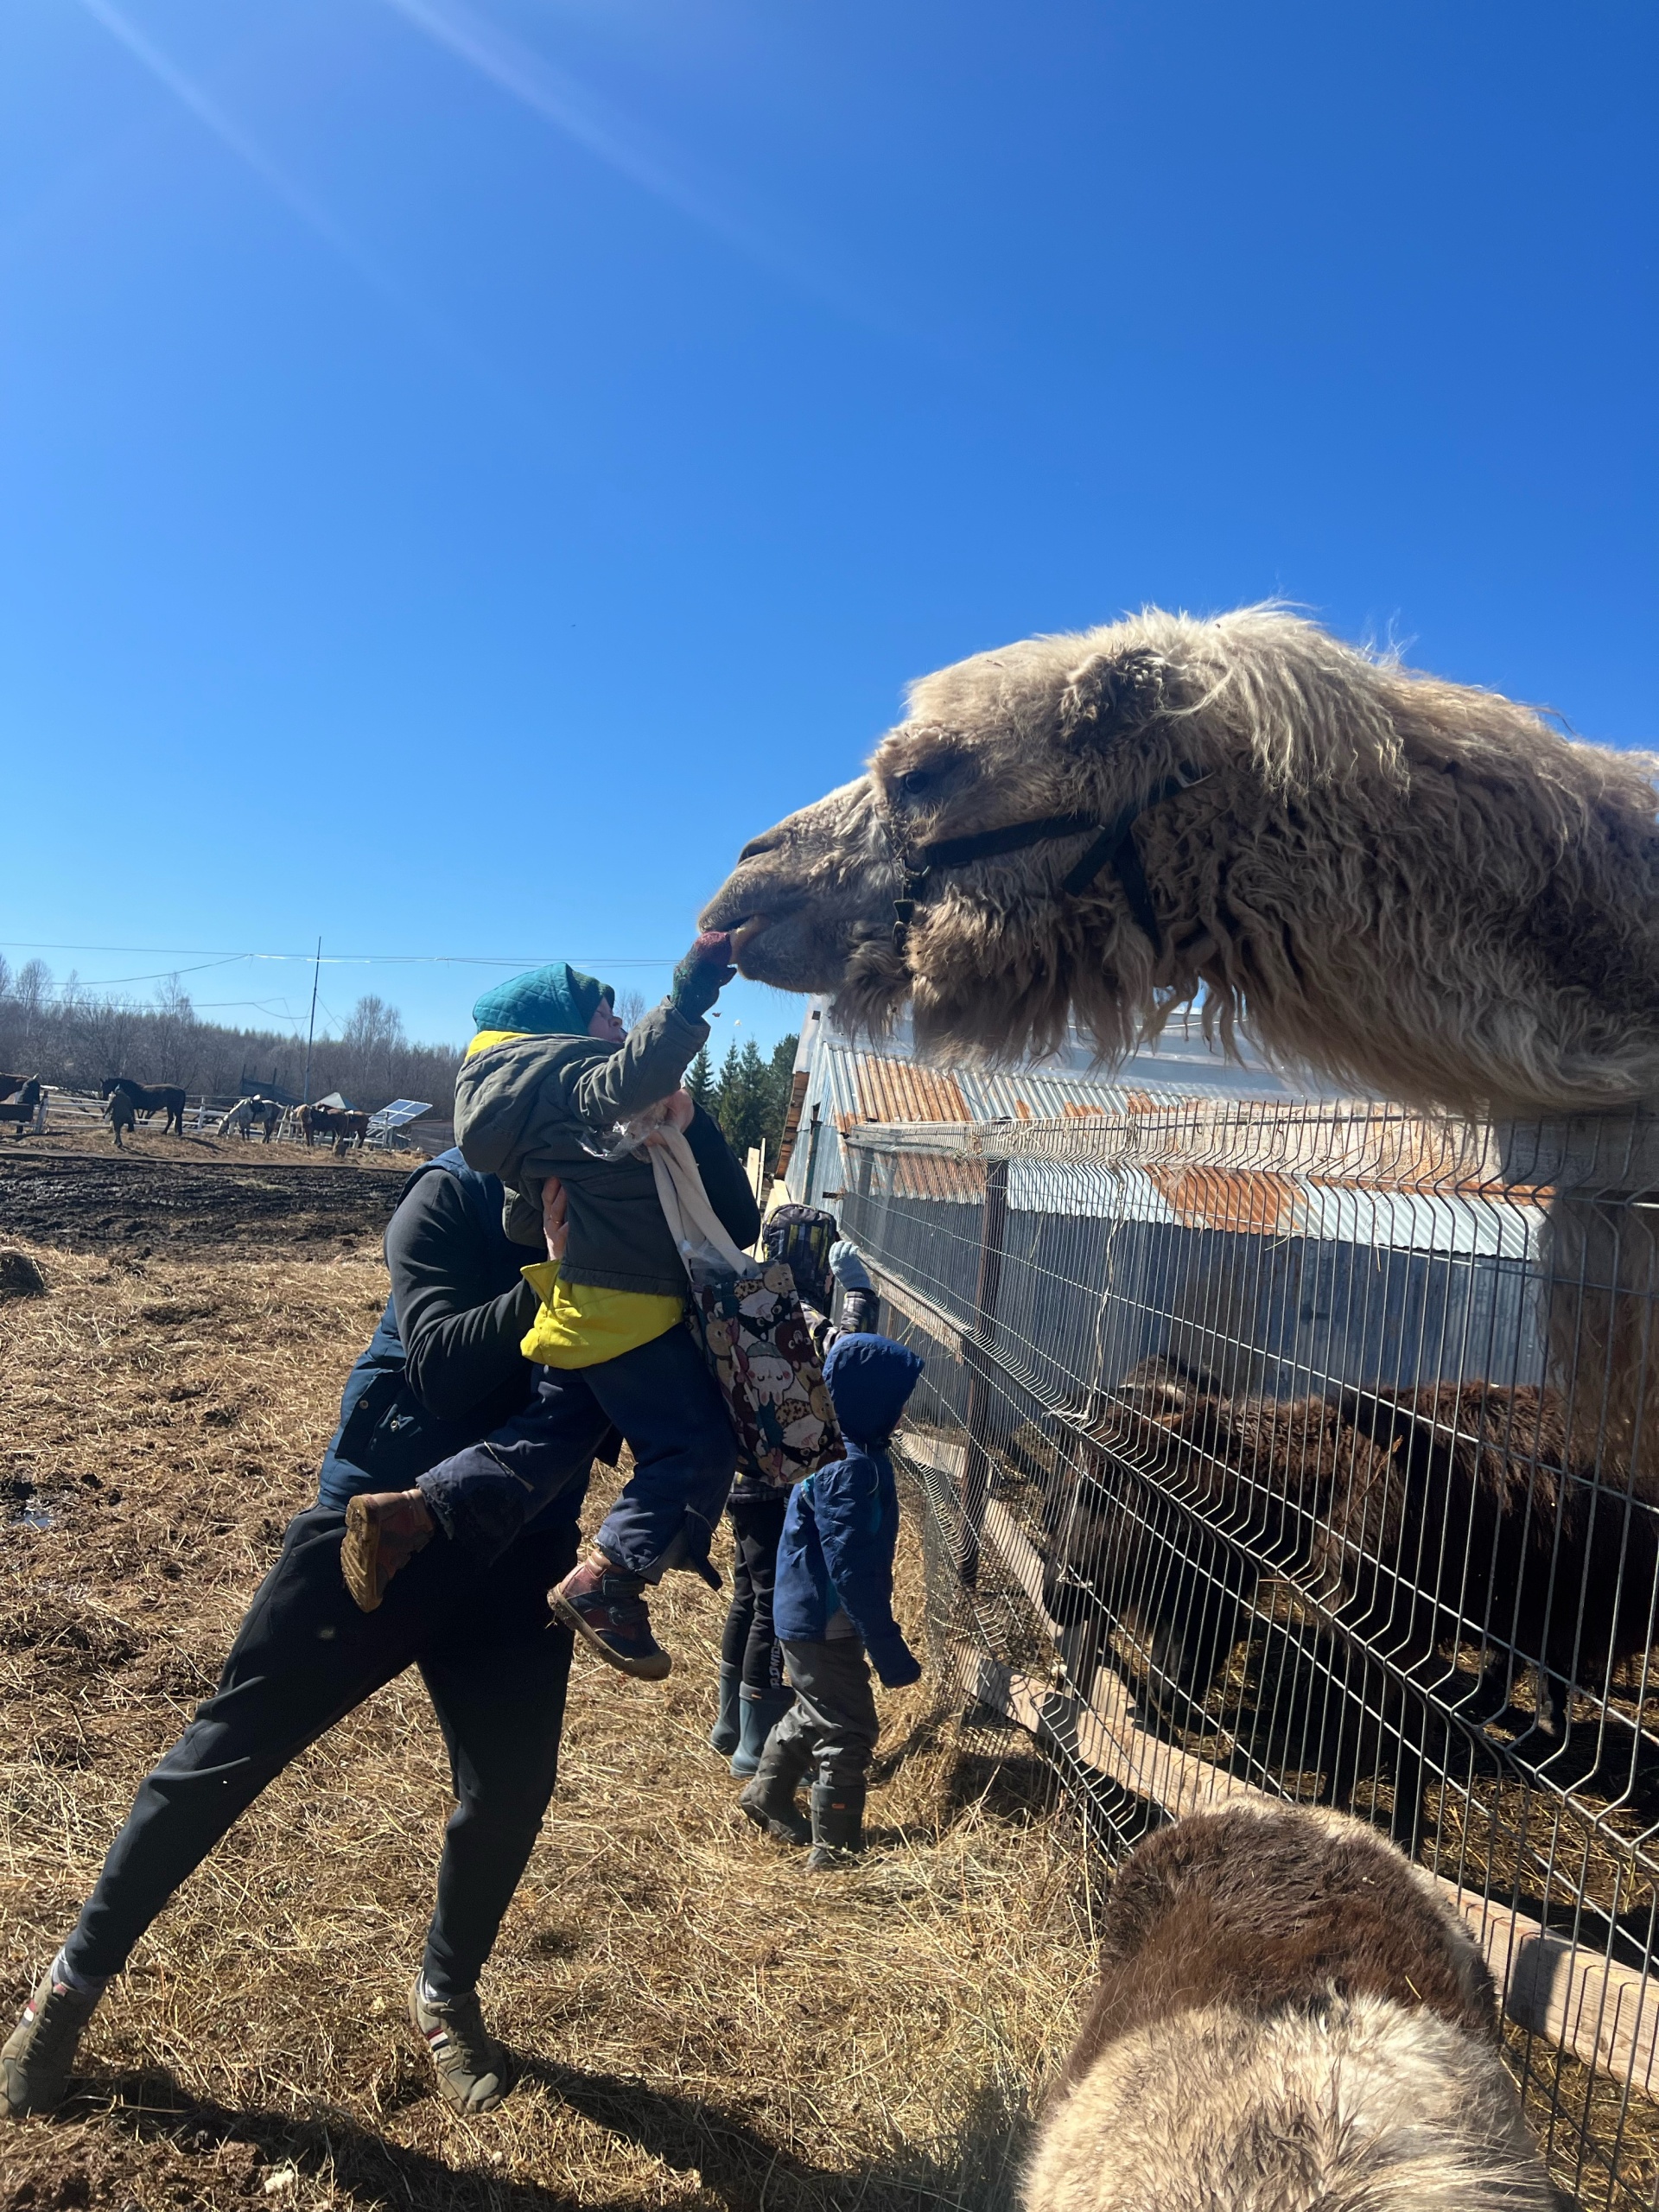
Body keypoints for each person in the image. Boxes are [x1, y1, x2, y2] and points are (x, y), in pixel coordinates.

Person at [3, 1146, 601, 2124]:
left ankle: (445, 1994)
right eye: (598, 1051)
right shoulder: (447, 1193)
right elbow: (445, 1368)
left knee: (512, 1789)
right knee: (227, 1754)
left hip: (518, 1548)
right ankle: (64, 1993)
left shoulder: (616, 1199)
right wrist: (565, 1274)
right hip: (379, 1531)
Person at [340, 944, 760, 1684]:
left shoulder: (523, 1108)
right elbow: (636, 1069)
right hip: (626, 1306)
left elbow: (519, 1219)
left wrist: (681, 1128)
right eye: (604, 1010)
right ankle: (611, 1579)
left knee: (544, 1445)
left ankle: (411, 1514)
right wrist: (689, 998)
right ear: (561, 1029)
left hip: (579, 1306)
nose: (619, 1020)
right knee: (697, 1447)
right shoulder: (576, 1080)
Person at [738, 1334, 925, 1869]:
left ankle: (767, 1795)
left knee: (818, 1710)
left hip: (807, 1615)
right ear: (874, 1401)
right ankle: (835, 1849)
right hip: (824, 1619)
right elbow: (849, 1565)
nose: (904, 1410)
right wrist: (885, 1641)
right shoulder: (851, 1467)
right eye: (897, 1398)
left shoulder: (845, 1451)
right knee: (850, 1728)